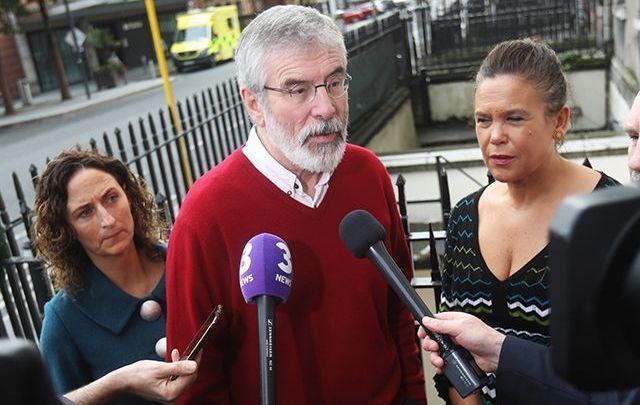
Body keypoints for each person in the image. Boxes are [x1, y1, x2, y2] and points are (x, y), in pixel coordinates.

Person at [165, 5, 426, 404]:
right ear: (253, 104)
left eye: (335, 82)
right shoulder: (205, 215)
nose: (325, 108)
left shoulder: (367, 173)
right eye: (297, 89)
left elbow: (400, 314)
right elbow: (196, 383)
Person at [418, 90, 640, 404]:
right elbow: (455, 362)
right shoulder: (464, 216)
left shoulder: (612, 221)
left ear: (559, 120)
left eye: (515, 118)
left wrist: (500, 352)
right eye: (633, 136)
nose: (635, 159)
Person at [34, 150, 198, 404]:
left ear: (128, 196)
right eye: (85, 212)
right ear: (66, 229)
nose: (108, 219)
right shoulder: (63, 321)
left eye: (111, 198)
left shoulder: (189, 264)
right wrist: (117, 383)